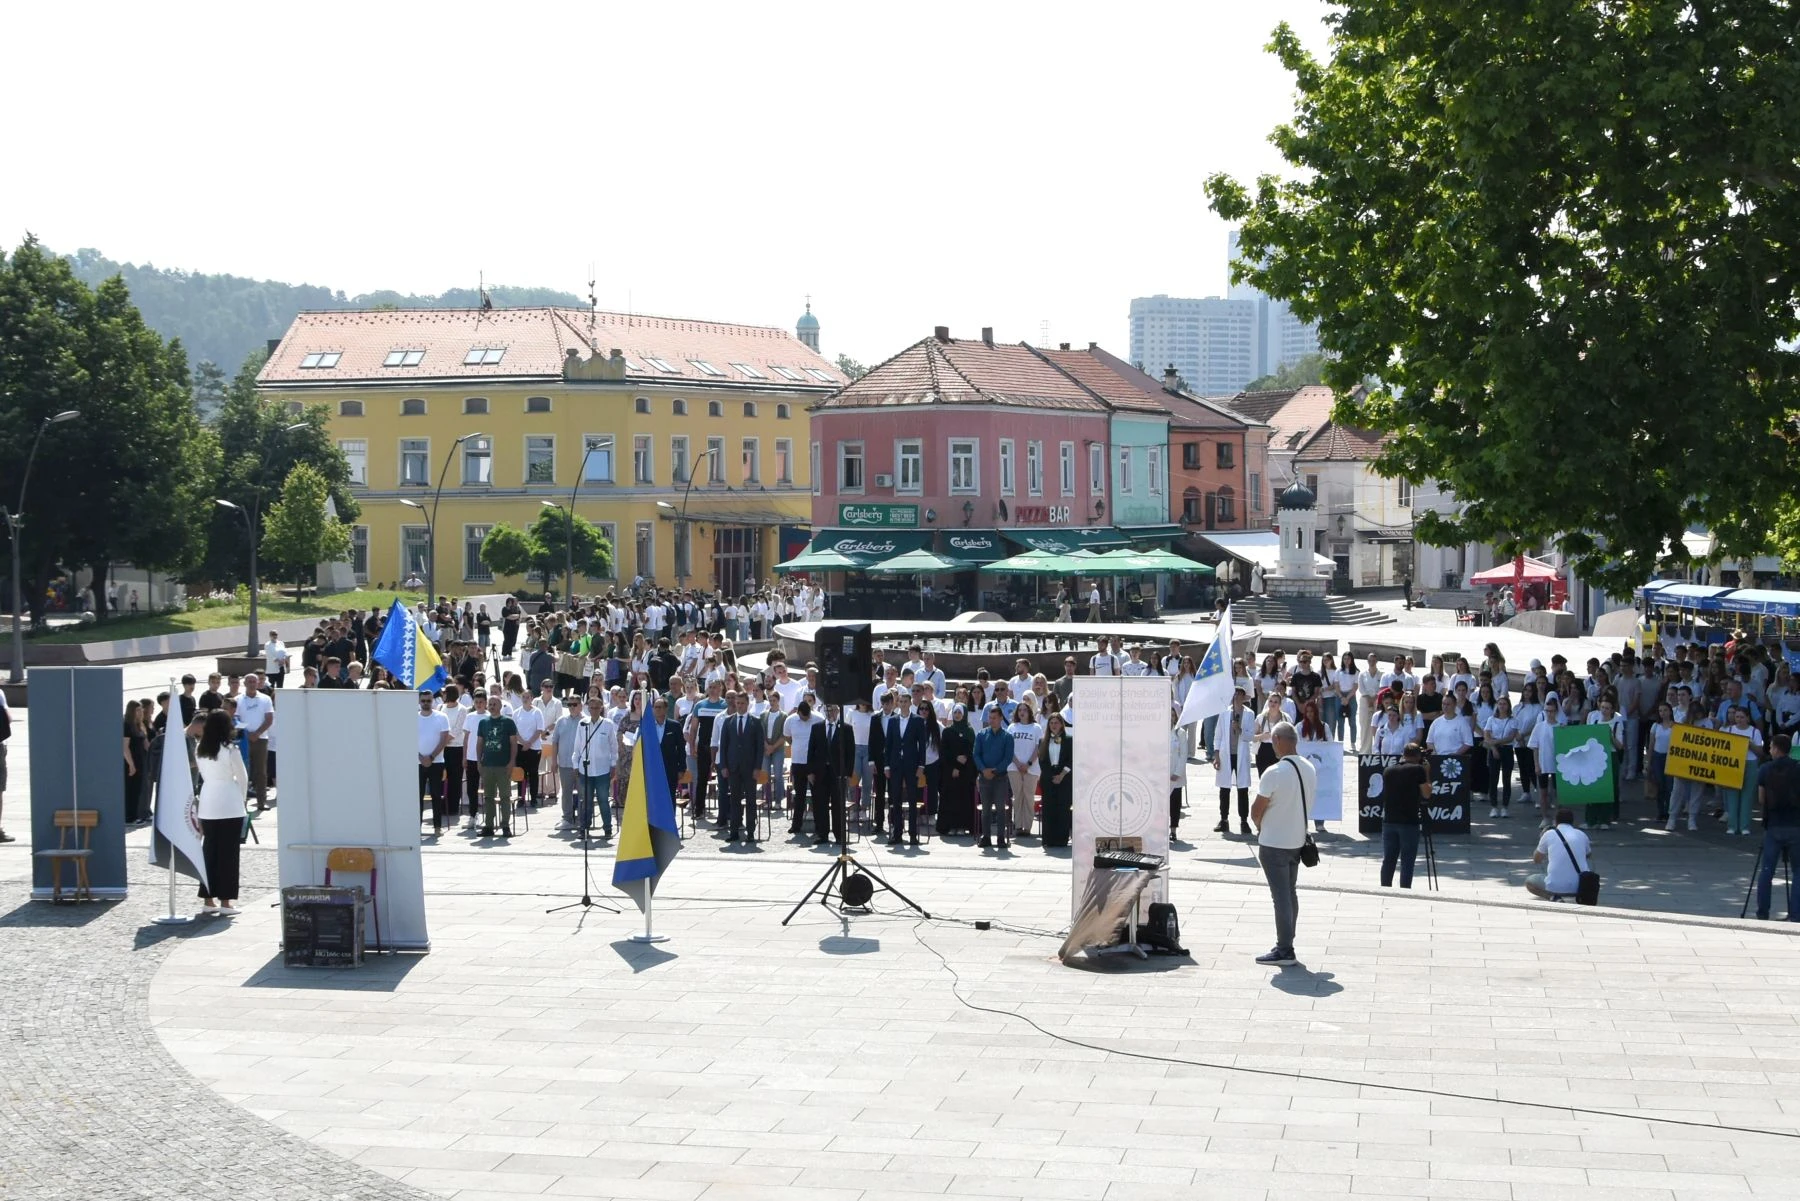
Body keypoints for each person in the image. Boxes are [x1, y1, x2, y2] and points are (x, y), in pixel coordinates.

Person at [1251, 721, 1315, 966]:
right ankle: (1287, 942)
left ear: (1278, 740)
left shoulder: (1274, 772)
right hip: (1297, 840)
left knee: (1281, 897)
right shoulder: (1309, 767)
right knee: (1290, 893)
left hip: (1274, 842)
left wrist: (1260, 827)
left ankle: (1284, 948)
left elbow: (1256, 810)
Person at [194, 710, 248, 913]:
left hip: (208, 801)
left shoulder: (200, 748)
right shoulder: (230, 750)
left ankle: (208, 900)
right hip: (229, 802)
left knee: (209, 851)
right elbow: (242, 778)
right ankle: (226, 901)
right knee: (229, 854)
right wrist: (242, 800)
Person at [1755, 732, 1800, 920]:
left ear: (1775, 748)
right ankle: (1796, 914)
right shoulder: (1798, 768)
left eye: (1771, 746)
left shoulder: (1765, 769)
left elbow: (1761, 799)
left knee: (1767, 870)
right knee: (1798, 872)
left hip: (1773, 825)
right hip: (1796, 825)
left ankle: (1763, 912)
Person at [1378, 743, 1430, 888]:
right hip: (1409, 822)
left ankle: (1385, 887)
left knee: (1389, 859)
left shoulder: (1388, 770)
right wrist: (1427, 772)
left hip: (1389, 821)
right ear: (1418, 756)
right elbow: (1426, 793)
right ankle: (1405, 889)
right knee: (1407, 860)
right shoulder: (1418, 770)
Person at [717, 690, 761, 843]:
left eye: (743, 703)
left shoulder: (755, 722)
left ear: (748, 704)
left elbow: (759, 747)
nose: (740, 706)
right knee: (734, 800)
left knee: (750, 800)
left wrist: (757, 767)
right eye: (738, 703)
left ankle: (750, 832)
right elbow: (723, 746)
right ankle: (734, 831)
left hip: (749, 768)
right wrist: (723, 766)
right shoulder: (728, 721)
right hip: (733, 767)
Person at [809, 702, 855, 847]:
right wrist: (810, 771)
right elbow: (811, 751)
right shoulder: (817, 728)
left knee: (838, 804)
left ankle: (839, 835)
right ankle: (822, 833)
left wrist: (847, 773)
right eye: (827, 710)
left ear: (838, 711)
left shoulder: (846, 729)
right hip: (820, 772)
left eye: (832, 710)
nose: (829, 713)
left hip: (838, 773)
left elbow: (850, 753)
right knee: (820, 803)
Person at [883, 692, 926, 846]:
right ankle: (897, 833)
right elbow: (888, 745)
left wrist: (921, 765)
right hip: (895, 765)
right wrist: (887, 765)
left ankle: (913, 834)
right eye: (900, 701)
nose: (903, 704)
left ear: (910, 703)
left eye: (905, 701)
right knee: (895, 799)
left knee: (913, 800)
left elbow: (922, 746)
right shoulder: (893, 720)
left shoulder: (918, 721)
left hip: (911, 764)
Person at [475, 694, 520, 838]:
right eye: (490, 704)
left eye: (495, 704)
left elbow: (513, 743)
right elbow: (480, 743)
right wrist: (478, 761)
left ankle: (505, 825)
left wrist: (512, 761)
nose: (492, 706)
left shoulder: (508, 722)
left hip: (503, 765)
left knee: (505, 796)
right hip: (487, 764)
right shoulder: (483, 722)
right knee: (488, 796)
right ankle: (489, 825)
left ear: (500, 706)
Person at [574, 695, 618, 839]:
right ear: (588, 708)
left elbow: (614, 747)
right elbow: (577, 747)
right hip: (585, 769)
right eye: (591, 708)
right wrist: (575, 765)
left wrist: (613, 765)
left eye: (596, 708)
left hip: (602, 769)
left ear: (601, 709)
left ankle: (607, 828)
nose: (593, 710)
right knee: (585, 801)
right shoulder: (582, 724)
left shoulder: (608, 724)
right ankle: (583, 828)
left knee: (603, 799)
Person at [1527, 807, 1593, 901]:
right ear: (1572, 822)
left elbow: (1537, 860)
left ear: (1555, 822)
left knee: (1530, 881)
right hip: (1581, 885)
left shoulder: (1549, 834)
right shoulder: (1582, 834)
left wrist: (1542, 839)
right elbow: (1589, 855)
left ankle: (1553, 897)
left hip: (1555, 887)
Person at [1213, 689, 1255, 834]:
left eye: (1239, 694)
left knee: (1242, 788)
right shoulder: (1225, 712)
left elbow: (1250, 736)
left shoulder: (1249, 714)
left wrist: (1240, 729)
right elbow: (1218, 734)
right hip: (1226, 754)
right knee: (1224, 788)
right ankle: (1224, 819)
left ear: (1244, 697)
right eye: (1235, 694)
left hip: (1241, 754)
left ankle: (1244, 820)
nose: (1237, 696)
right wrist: (1216, 755)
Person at [974, 706, 1015, 850]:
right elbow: (976, 754)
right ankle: (986, 836)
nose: (991, 721)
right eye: (989, 718)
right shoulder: (981, 734)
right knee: (985, 809)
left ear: (1000, 719)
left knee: (1000, 808)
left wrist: (996, 770)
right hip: (984, 777)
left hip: (1000, 777)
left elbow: (1008, 757)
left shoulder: (1007, 736)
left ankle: (1000, 838)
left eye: (994, 718)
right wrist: (984, 770)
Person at [235, 674, 275, 812]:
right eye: (249, 681)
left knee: (261, 772)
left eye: (254, 681)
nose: (252, 684)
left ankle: (261, 801)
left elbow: (269, 719)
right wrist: (247, 734)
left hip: (261, 739)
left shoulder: (265, 699)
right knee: (242, 770)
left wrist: (257, 733)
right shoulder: (238, 700)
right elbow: (236, 719)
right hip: (243, 740)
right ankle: (242, 802)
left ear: (258, 683)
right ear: (244, 683)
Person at [1007, 698, 1043, 840]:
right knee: (1017, 796)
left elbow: (1038, 747)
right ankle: (1017, 825)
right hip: (1014, 767)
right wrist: (1017, 763)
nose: (1022, 712)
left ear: (1029, 712)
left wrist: (1027, 764)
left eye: (1025, 710)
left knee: (1028, 797)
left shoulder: (1036, 728)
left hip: (1031, 768)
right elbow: (1009, 748)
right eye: (1020, 710)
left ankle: (1027, 827)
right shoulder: (1012, 727)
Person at [938, 704, 977, 836]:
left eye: (960, 713)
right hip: (950, 772)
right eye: (955, 713)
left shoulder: (970, 731)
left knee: (964, 798)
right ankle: (950, 826)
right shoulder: (948, 731)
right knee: (950, 798)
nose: (957, 715)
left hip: (966, 772)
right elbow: (944, 751)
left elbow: (972, 751)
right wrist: (954, 763)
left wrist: (961, 764)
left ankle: (962, 826)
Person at [417, 691, 452, 833]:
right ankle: (416, 827)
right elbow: (407, 738)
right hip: (417, 763)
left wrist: (431, 757)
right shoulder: (411, 717)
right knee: (417, 796)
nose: (426, 703)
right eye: (423, 700)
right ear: (419, 701)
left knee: (436, 795)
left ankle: (437, 826)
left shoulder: (442, 717)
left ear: (433, 701)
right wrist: (420, 757)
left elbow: (444, 739)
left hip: (436, 762)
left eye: (428, 701)